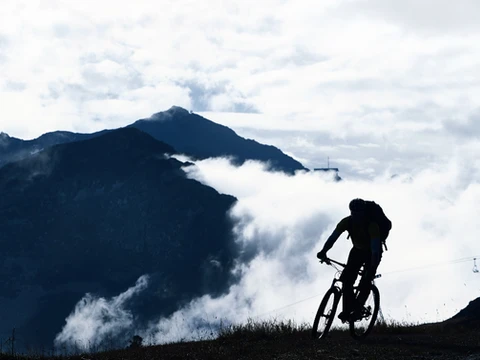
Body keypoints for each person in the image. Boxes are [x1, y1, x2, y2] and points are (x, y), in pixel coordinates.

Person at [316, 198, 390, 322]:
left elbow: (376, 250)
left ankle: (358, 309)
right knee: (347, 279)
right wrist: (324, 251)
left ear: (364, 212)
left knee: (366, 280)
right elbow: (333, 238)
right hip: (357, 251)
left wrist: (372, 268)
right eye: (353, 213)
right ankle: (348, 309)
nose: (356, 215)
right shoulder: (346, 222)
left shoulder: (372, 226)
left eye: (359, 213)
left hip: (372, 253)